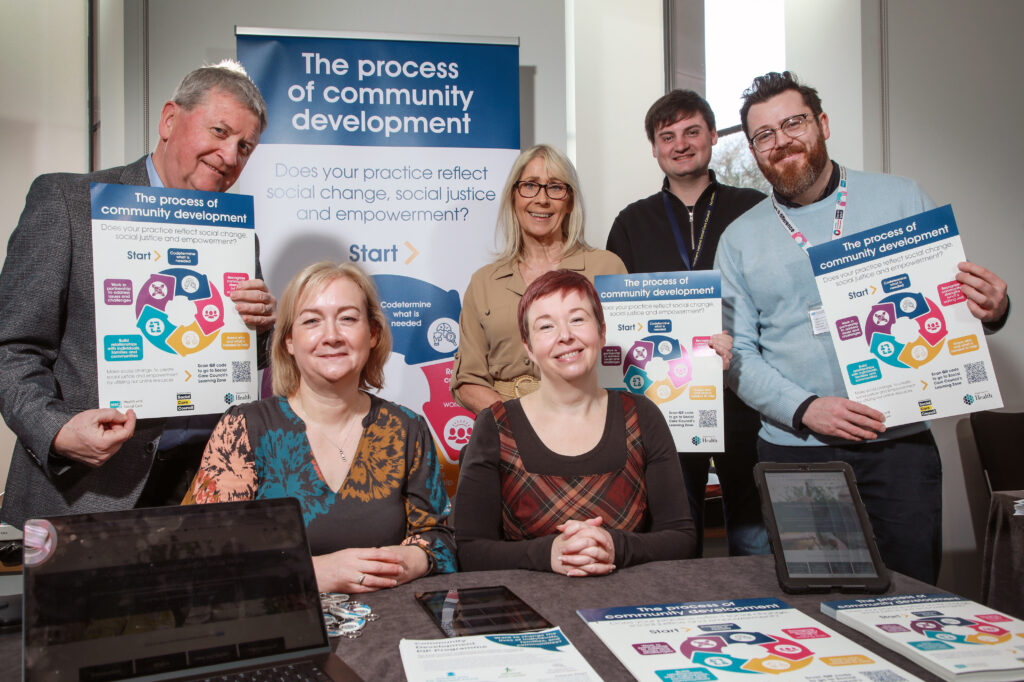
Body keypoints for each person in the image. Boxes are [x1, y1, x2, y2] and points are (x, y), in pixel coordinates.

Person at [715, 71, 1010, 584]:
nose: (781, 141)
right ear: (755, 150)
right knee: (814, 600)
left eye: (793, 123)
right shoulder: (738, 239)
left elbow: (944, 308)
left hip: (899, 446)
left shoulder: (900, 199)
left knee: (912, 596)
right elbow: (735, 354)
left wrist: (991, 309)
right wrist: (806, 409)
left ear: (823, 124)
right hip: (796, 453)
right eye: (764, 135)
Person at [0, 60, 277, 527]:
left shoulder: (235, 237)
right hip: (86, 492)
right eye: (219, 131)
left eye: (244, 146)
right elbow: (11, 349)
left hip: (204, 490)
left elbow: (246, 358)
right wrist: (57, 432)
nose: (230, 156)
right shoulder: (67, 203)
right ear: (169, 120)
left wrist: (262, 325)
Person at [184, 262, 456, 593]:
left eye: (348, 319)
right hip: (282, 618)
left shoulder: (406, 428)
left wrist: (414, 558)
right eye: (312, 321)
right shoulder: (244, 428)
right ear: (288, 340)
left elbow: (439, 538)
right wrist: (314, 571)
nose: (332, 336)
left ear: (372, 334)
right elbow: (203, 555)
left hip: (390, 618)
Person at [455, 269, 725, 574]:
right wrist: (549, 553)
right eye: (546, 326)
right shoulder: (495, 426)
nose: (565, 335)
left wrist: (615, 546)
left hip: (630, 601)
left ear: (602, 331)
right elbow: (469, 550)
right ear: (528, 347)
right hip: (526, 602)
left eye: (577, 319)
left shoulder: (642, 416)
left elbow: (682, 538)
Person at [606, 89, 768, 557]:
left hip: (745, 395)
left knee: (756, 535)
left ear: (713, 136)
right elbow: (613, 319)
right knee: (677, 534)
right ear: (654, 148)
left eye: (691, 131)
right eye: (667, 136)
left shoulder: (754, 209)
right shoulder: (632, 222)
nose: (680, 144)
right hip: (666, 402)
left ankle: (757, 602)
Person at [452, 144, 626, 413]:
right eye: (530, 185)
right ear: (514, 197)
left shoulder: (607, 268)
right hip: (506, 425)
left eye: (555, 187)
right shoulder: (483, 283)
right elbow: (467, 381)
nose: (542, 199)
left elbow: (625, 363)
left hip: (587, 418)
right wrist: (518, 423)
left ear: (570, 201)